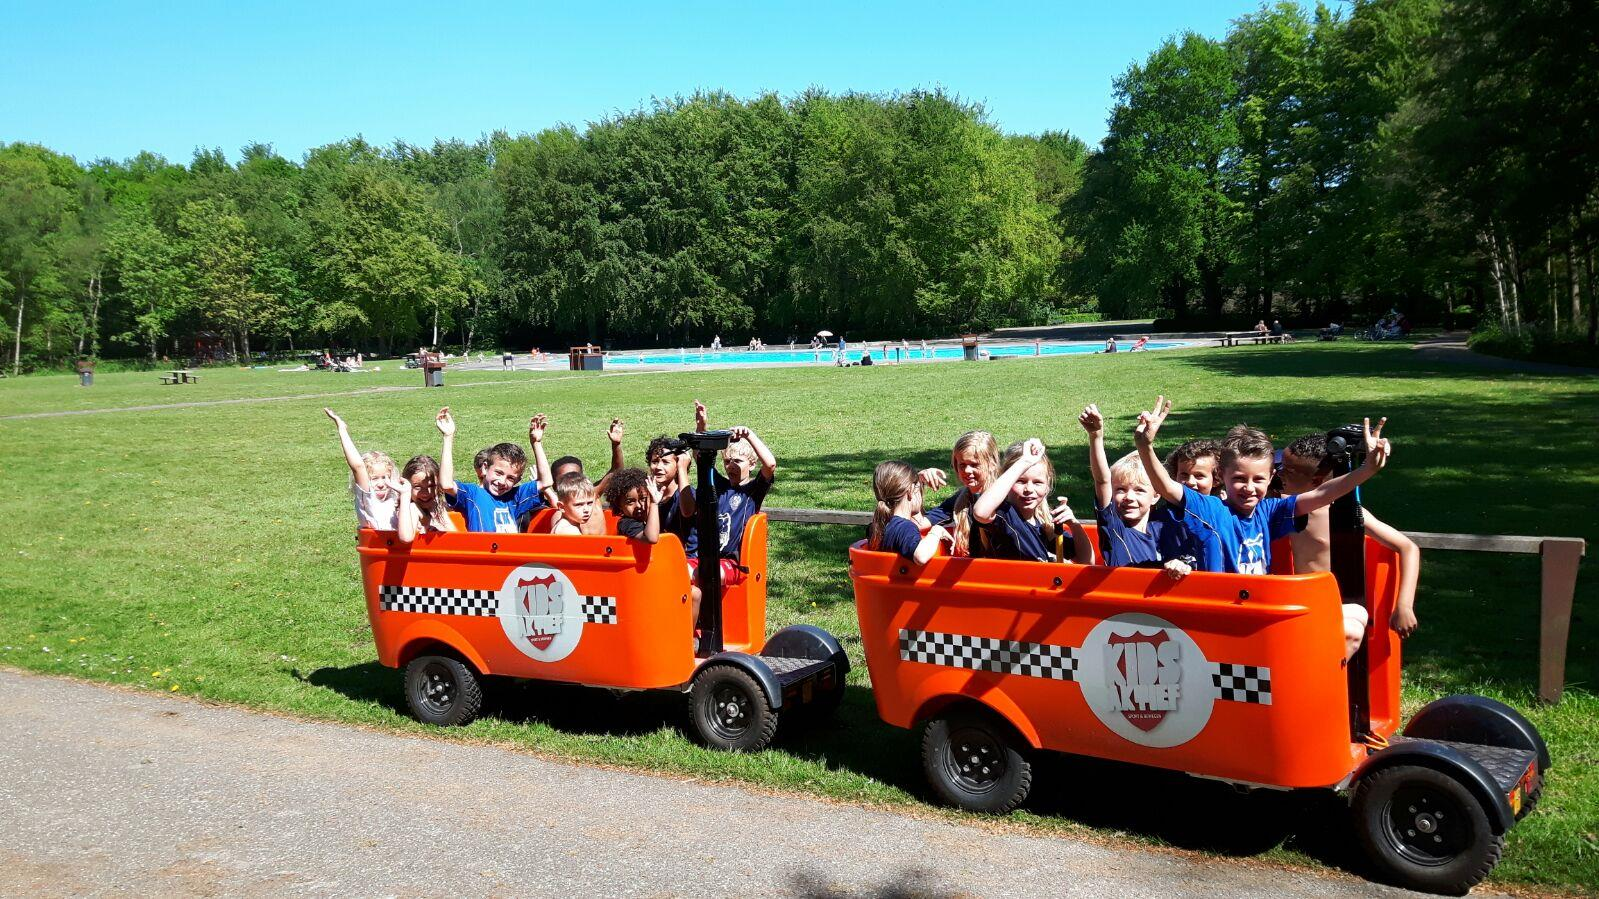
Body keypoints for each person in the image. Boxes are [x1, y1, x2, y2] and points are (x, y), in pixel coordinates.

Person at [1133, 396, 1392, 576]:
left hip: (1258, 605)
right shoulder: (1211, 509)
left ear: (1270, 478)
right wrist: (1145, 446)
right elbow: (1167, 487)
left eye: (1258, 480)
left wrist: (1366, 469)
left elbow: (1322, 493)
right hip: (1223, 610)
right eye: (1239, 479)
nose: (1248, 487)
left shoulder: (1269, 511)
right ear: (1222, 475)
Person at [1277, 433, 1421, 658]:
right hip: (1300, 601)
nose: (1279, 473)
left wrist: (1404, 605)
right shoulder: (1282, 505)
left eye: (1288, 471)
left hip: (1332, 605)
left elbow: (1408, 547)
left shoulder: (1349, 513)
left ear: (1316, 482)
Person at [1079, 404, 1190, 578]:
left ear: (1156, 495)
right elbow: (1102, 480)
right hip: (1125, 602)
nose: (1129, 497)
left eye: (1139, 490)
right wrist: (1096, 436)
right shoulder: (1115, 529)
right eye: (1121, 490)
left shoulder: (1164, 528)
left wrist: (1181, 564)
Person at [679, 402, 776, 592]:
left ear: (752, 464)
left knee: (706, 574)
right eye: (727, 461)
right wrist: (701, 426)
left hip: (730, 563)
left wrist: (749, 435)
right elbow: (700, 457)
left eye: (738, 461)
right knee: (676, 573)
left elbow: (770, 464)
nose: (731, 466)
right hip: (702, 556)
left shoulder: (753, 491)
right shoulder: (720, 486)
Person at [970, 439, 1081, 563]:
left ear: (1047, 486)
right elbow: (980, 512)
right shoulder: (1004, 514)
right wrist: (1024, 462)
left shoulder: (1045, 523)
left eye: (1037, 482)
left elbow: (1086, 561)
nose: (1029, 489)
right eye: (1020, 481)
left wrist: (1074, 524)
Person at [440, 414, 547, 533]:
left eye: (510, 478)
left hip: (510, 550)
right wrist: (448, 437)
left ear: (517, 480)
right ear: (485, 468)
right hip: (483, 549)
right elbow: (446, 484)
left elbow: (546, 482)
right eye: (498, 473)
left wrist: (536, 443)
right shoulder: (474, 494)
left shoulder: (515, 496)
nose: (502, 481)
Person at [323, 408, 414, 542]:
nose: (381, 484)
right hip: (381, 551)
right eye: (374, 478)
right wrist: (342, 429)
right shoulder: (368, 500)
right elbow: (358, 466)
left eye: (384, 477)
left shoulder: (393, 497)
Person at [921, 430, 1000, 557]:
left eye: (974, 464)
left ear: (992, 464)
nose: (967, 470)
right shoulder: (960, 501)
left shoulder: (1007, 499)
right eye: (962, 465)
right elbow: (919, 523)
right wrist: (917, 483)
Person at [868, 461, 953, 564]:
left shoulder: (878, 526)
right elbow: (921, 556)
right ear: (910, 490)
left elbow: (919, 521)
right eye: (919, 489)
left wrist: (918, 481)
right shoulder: (904, 528)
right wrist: (936, 531)